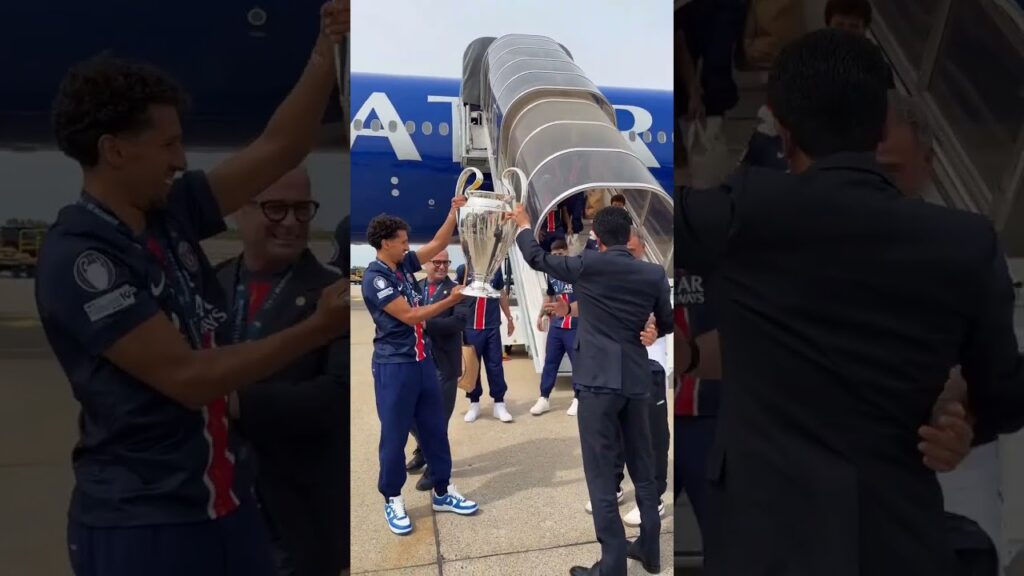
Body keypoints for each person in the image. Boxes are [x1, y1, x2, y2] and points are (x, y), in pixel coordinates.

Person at [676, 29, 1024, 576]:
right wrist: (962, 418)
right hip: (898, 540)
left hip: (764, 545)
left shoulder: (746, 211)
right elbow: (1006, 397)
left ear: (783, 135)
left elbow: (636, 219)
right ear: (884, 123)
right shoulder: (968, 242)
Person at [35, 4, 350, 575]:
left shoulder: (169, 214)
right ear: (115, 150)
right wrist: (316, 329)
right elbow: (187, 379)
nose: (182, 160)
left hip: (224, 506)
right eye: (168, 145)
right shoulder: (82, 258)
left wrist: (326, 47)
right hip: (146, 524)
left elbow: (280, 147)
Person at [879, 91, 1006, 574]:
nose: (876, 186)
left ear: (928, 163)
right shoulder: (815, 245)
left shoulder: (966, 248)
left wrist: (955, 405)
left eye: (891, 170)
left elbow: (995, 372)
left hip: (951, 491)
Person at [512, 205, 673, 576]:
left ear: (597, 238)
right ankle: (650, 549)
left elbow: (535, 257)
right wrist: (653, 332)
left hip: (598, 384)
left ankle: (613, 565)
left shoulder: (587, 264)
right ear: (628, 234)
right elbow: (664, 322)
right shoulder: (652, 274)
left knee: (602, 477)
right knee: (644, 469)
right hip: (635, 381)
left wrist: (523, 225)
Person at [215, 167, 346, 576]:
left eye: (302, 210)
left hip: (297, 524)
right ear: (240, 209)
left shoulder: (334, 295)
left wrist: (236, 402)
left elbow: (336, 396)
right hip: (216, 512)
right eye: (276, 208)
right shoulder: (209, 285)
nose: (291, 222)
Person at [361, 201, 480, 537]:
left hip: (422, 362)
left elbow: (440, 244)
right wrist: (450, 301)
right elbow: (411, 316)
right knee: (395, 436)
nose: (407, 246)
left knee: (435, 431)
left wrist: (454, 212)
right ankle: (393, 497)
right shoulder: (376, 278)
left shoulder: (403, 265)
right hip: (394, 367)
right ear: (386, 243)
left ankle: (442, 491)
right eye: (402, 241)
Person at [406, 249, 466, 492]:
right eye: (437, 262)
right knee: (409, 415)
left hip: (443, 364)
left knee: (438, 421)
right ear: (426, 264)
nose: (442, 266)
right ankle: (423, 450)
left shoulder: (457, 291)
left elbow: (459, 322)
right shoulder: (415, 287)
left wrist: (424, 322)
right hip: (417, 362)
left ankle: (435, 467)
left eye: (446, 262)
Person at [454, 263, 515, 423]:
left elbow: (501, 293)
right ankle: (474, 403)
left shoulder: (496, 270)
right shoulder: (463, 269)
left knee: (495, 365)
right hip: (471, 327)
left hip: (491, 326)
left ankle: (499, 403)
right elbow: (456, 295)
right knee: (472, 367)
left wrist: (509, 318)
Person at [529, 239, 579, 417]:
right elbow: (549, 296)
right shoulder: (551, 274)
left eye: (561, 254)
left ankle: (578, 397)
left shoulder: (577, 271)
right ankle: (544, 397)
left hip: (575, 325)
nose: (558, 257)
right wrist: (541, 314)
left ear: (567, 252)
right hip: (557, 326)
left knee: (578, 363)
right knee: (550, 362)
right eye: (555, 255)